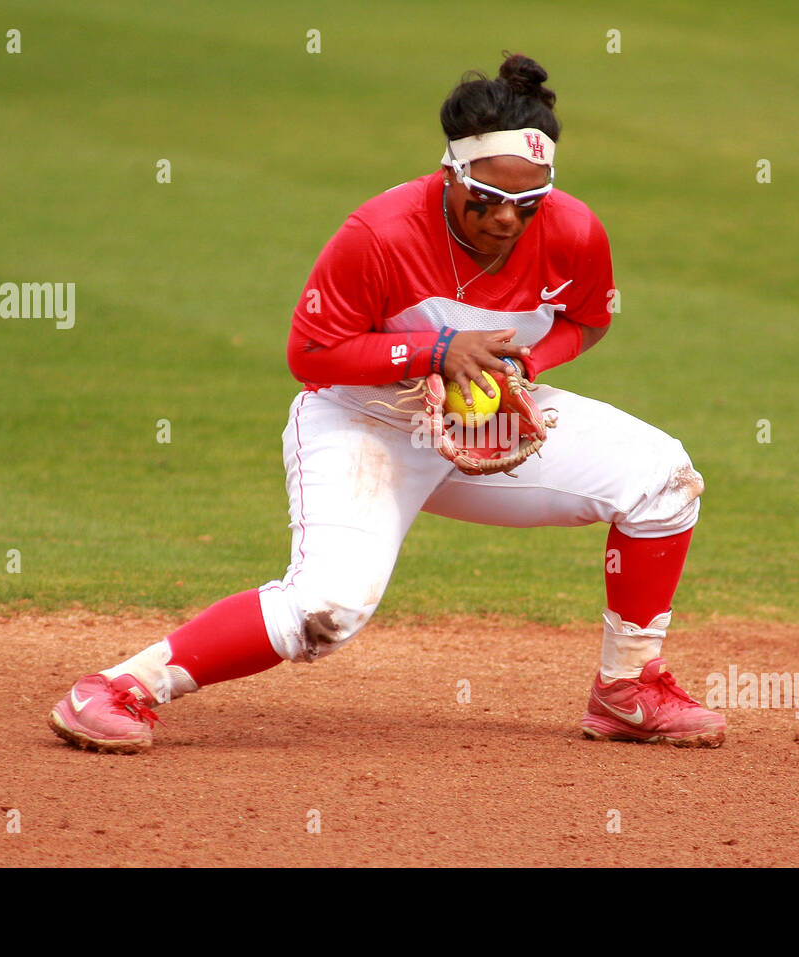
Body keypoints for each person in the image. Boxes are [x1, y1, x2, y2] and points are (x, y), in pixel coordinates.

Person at [48, 53, 725, 753]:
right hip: (364, 420)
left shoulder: (575, 231)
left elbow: (589, 317)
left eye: (528, 204)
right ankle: (118, 686)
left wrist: (525, 365)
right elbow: (309, 354)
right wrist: (434, 353)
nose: (505, 219)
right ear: (451, 174)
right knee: (327, 609)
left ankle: (627, 689)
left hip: (484, 419)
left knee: (662, 479)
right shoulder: (380, 234)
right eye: (487, 199)